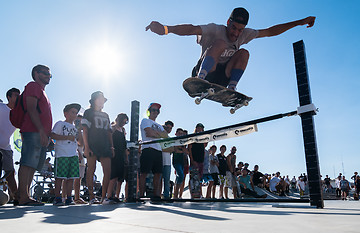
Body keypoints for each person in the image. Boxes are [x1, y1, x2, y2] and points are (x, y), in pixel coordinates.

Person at [146, 7, 315, 90]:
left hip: (223, 77)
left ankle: (231, 88)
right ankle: (200, 79)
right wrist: (167, 29)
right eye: (233, 28)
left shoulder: (244, 34)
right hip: (206, 70)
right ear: (228, 22)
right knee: (220, 43)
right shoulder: (215, 29)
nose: (236, 33)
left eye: (240, 30)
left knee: (244, 53)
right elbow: (191, 28)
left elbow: (270, 31)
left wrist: (299, 22)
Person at [18, 64, 52, 206]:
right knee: (27, 163)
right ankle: (22, 197)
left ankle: (26, 196)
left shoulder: (42, 91)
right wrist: (41, 131)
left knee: (33, 165)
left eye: (50, 74)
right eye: (45, 73)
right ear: (36, 73)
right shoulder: (33, 86)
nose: (48, 76)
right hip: (33, 131)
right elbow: (31, 109)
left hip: (40, 134)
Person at [82, 91, 114, 204]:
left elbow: (110, 132)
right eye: (99, 99)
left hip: (105, 145)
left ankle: (103, 197)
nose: (101, 101)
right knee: (91, 169)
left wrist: (112, 146)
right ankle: (91, 196)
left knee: (108, 171)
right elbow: (85, 130)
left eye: (103, 99)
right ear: (93, 100)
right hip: (92, 144)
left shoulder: (106, 115)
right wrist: (86, 147)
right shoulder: (88, 112)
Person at [50, 103, 82, 206]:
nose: (74, 115)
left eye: (76, 113)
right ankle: (58, 198)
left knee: (71, 177)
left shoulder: (75, 128)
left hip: (73, 154)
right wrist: (67, 138)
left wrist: (79, 154)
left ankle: (69, 197)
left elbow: (79, 142)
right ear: (66, 113)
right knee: (60, 177)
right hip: (62, 153)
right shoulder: (60, 124)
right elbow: (52, 135)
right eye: (72, 112)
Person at [139, 103, 168, 200]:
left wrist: (156, 134)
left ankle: (156, 195)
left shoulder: (160, 125)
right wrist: (160, 135)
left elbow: (166, 137)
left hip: (158, 150)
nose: (155, 112)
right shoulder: (145, 121)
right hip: (148, 148)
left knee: (158, 173)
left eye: (157, 111)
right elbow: (149, 133)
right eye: (153, 110)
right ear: (149, 111)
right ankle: (141, 195)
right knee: (144, 173)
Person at [0, 88, 20, 205]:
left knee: (10, 173)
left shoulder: (18, 114)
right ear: (9, 97)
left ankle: (17, 197)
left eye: (19, 96)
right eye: (16, 96)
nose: (18, 98)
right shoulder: (1, 107)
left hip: (6, 147)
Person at [106, 113, 129, 203]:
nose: (124, 123)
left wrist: (126, 157)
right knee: (113, 175)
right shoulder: (113, 128)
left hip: (121, 154)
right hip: (113, 153)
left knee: (119, 176)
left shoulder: (123, 130)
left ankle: (115, 195)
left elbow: (124, 145)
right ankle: (108, 195)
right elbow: (109, 140)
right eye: (123, 121)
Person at [172, 128, 187, 199]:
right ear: (176, 133)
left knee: (179, 177)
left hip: (182, 162)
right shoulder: (174, 140)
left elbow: (186, 151)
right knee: (181, 175)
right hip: (176, 161)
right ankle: (175, 194)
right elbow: (175, 150)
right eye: (179, 133)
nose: (180, 134)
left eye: (181, 133)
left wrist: (181, 150)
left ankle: (176, 195)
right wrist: (182, 150)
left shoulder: (182, 142)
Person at [162, 120, 174, 199]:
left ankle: (166, 195)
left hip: (168, 162)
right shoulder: (160, 136)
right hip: (159, 161)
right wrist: (167, 149)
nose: (169, 129)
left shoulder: (170, 139)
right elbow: (160, 148)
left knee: (167, 180)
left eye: (170, 128)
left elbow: (172, 149)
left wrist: (165, 149)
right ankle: (157, 195)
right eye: (167, 127)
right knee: (158, 179)